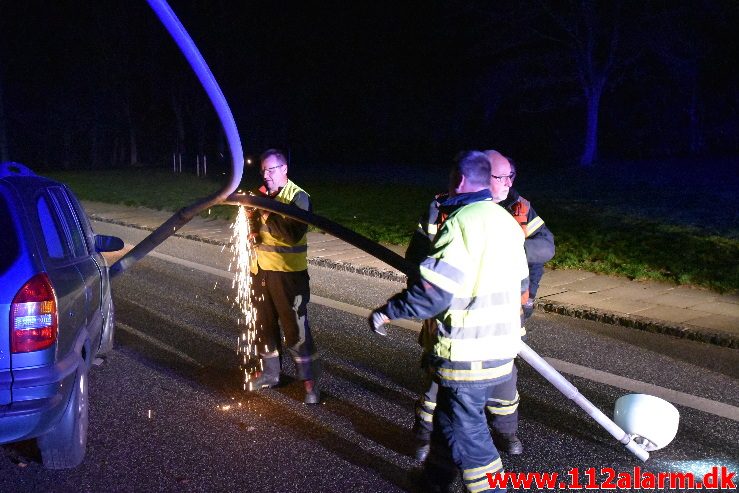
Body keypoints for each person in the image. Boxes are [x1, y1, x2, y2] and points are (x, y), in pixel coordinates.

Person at [369, 151, 528, 493]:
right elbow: (522, 288)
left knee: (472, 441)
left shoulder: (459, 224)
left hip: (467, 355)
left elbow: (433, 295)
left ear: (458, 180)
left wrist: (387, 312)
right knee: (446, 420)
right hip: (501, 349)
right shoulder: (506, 223)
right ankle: (433, 480)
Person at [407, 150, 555, 459]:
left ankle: (505, 432)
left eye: (510, 176)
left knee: (504, 383)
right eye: (499, 177)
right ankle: (424, 435)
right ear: (479, 178)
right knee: (439, 384)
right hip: (452, 321)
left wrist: (502, 245)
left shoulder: (519, 207)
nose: (507, 183)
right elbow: (417, 257)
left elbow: (545, 246)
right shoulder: (442, 208)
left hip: (502, 317)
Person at [247, 149, 320, 405]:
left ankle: (309, 383)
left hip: (289, 276)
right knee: (264, 326)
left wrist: (264, 210)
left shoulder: (299, 198)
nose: (266, 175)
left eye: (271, 169)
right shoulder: (261, 195)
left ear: (284, 169)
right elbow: (256, 227)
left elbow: (291, 235)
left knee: (296, 330)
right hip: (261, 271)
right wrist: (252, 225)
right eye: (263, 170)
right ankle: (270, 374)